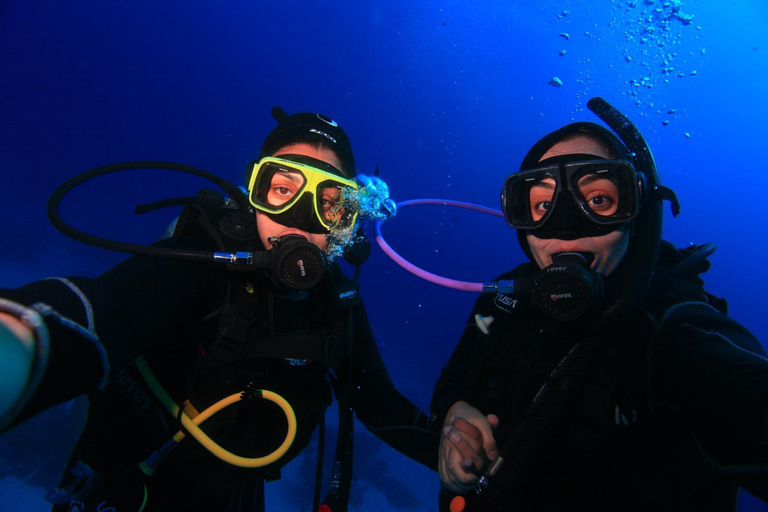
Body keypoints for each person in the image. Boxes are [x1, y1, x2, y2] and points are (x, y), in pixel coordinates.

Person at [0, 107, 438, 511]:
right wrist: (22, 339)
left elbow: (379, 405)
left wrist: (451, 450)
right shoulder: (206, 257)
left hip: (233, 493)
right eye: (283, 190)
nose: (300, 220)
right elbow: (104, 310)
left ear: (348, 221)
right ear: (255, 192)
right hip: (117, 477)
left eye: (329, 205)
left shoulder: (335, 303)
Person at [431, 97, 768, 511]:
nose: (567, 226)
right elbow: (454, 382)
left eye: (599, 200)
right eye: (541, 204)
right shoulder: (504, 299)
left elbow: (736, 389)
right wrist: (454, 414)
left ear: (636, 213)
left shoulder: (671, 329)